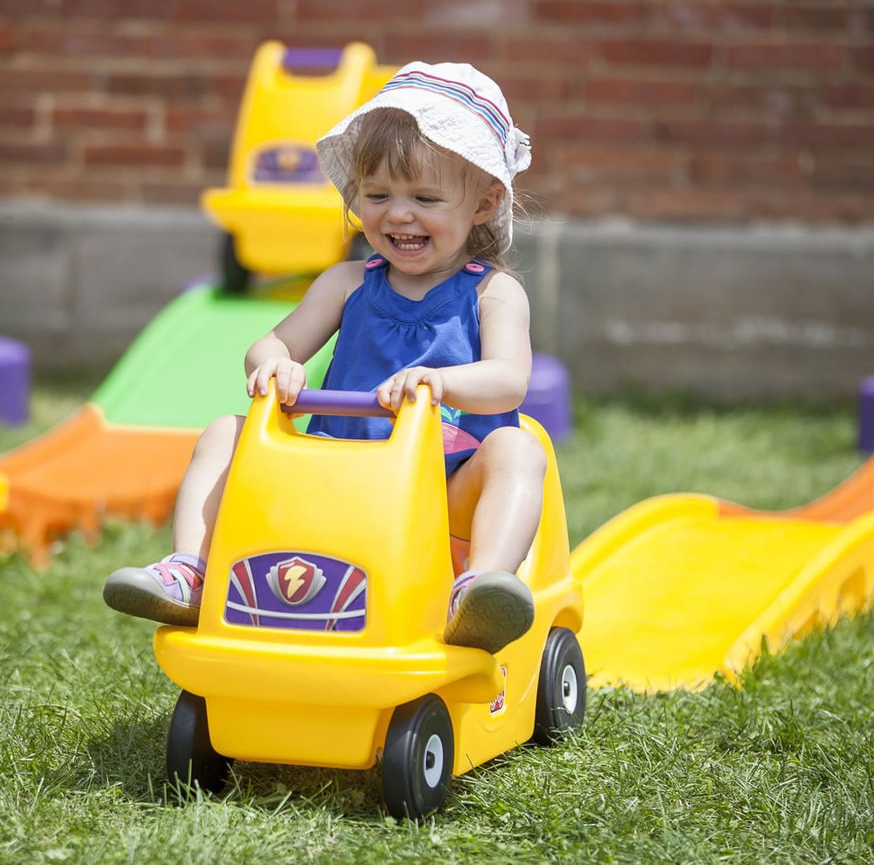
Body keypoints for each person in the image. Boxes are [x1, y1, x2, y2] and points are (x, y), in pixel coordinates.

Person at [103, 61, 546, 655]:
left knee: (517, 447)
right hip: (335, 481)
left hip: (446, 494)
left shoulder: (492, 292)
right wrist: (274, 363)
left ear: (485, 204)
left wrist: (437, 381)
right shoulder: (346, 283)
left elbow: (508, 381)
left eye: (426, 197)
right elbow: (272, 343)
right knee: (224, 432)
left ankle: (479, 589)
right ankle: (193, 573)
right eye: (378, 195)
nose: (399, 214)